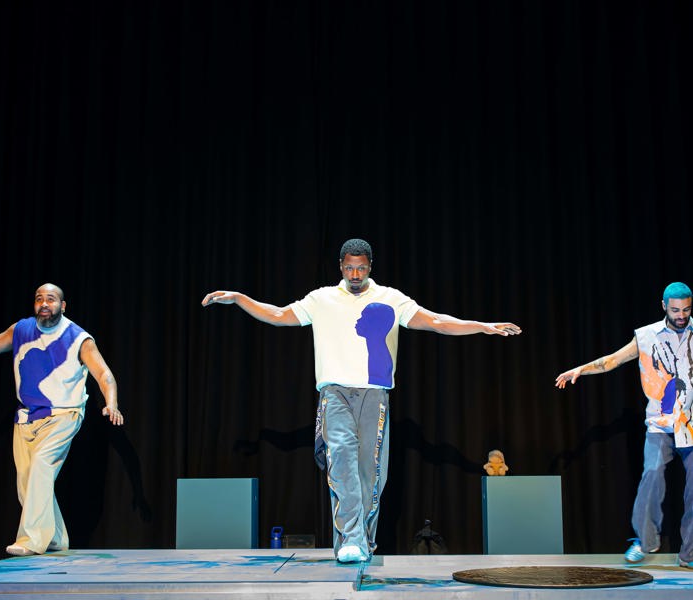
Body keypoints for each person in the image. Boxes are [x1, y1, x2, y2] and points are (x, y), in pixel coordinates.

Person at [202, 238, 521, 563]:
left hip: (374, 394)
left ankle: (363, 540)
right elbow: (279, 314)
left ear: (370, 267)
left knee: (370, 472)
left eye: (361, 268)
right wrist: (239, 298)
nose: (355, 274)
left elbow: (436, 321)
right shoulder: (321, 299)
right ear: (341, 266)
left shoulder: (390, 298)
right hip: (335, 393)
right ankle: (351, 538)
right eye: (349, 268)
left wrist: (483, 327)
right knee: (341, 460)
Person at [555, 282, 693, 568]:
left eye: (686, 310)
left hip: (691, 424)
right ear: (664, 306)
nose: (681, 315)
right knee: (652, 475)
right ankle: (645, 541)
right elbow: (613, 360)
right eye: (675, 310)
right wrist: (581, 369)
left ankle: (689, 554)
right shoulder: (647, 336)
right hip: (660, 424)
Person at [0, 283, 124, 556]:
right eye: (39, 299)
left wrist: (111, 403)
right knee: (28, 482)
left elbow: (104, 374)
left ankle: (31, 540)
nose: (44, 303)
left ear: (62, 306)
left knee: (41, 466)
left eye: (50, 299)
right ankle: (55, 539)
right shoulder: (21, 330)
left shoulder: (78, 338)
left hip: (64, 413)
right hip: (26, 416)